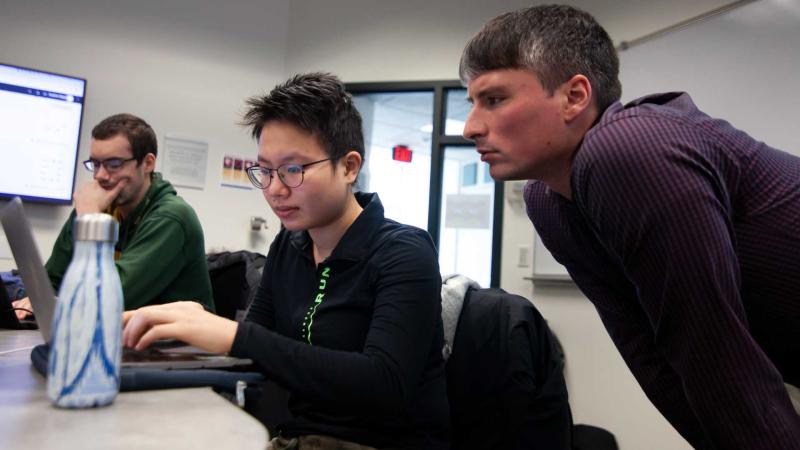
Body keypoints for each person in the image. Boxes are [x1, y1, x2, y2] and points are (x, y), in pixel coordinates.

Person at [460, 4, 800, 449]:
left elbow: (714, 354)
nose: (469, 127)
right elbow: (652, 353)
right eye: (473, 103)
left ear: (575, 97)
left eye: (495, 99)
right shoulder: (547, 200)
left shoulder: (629, 149)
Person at [122, 73, 450, 450]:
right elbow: (257, 346)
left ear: (349, 167)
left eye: (293, 170)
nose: (275, 190)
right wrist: (176, 335)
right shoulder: (291, 243)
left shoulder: (404, 251)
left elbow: (385, 383)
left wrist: (233, 335)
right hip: (295, 437)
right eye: (265, 170)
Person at [13, 113, 213, 318]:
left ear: (148, 163)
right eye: (96, 164)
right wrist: (36, 300)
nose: (100, 176)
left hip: (178, 347)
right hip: (119, 337)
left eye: (114, 164)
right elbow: (51, 282)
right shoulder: (101, 206)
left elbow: (110, 301)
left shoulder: (171, 218)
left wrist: (89, 221)